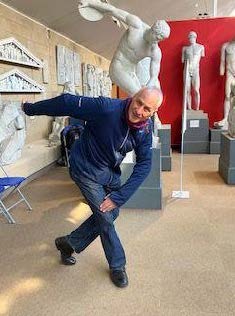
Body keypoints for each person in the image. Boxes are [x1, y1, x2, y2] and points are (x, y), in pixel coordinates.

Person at [22, 86, 163, 288]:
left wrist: (120, 196)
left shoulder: (145, 129)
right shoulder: (106, 108)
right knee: (105, 217)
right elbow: (67, 102)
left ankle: (68, 243)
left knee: (112, 213)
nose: (139, 111)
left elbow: (144, 164)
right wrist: (30, 109)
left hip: (110, 172)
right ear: (133, 97)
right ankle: (118, 265)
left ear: (153, 112)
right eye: (139, 102)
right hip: (85, 168)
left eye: (147, 109)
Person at [78, 0, 170, 129]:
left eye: (160, 40)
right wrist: (90, 3)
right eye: (156, 37)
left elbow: (154, 76)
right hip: (119, 67)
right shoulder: (136, 25)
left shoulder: (154, 50)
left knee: (147, 95)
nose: (157, 41)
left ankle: (145, 125)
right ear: (153, 30)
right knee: (138, 96)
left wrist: (150, 90)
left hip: (131, 71)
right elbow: (112, 10)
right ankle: (134, 128)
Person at [214, 39, 235, 129]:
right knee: (227, 96)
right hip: (229, 73)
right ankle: (226, 118)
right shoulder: (226, 46)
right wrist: (221, 70)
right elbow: (222, 60)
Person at [182, 31, 205, 111]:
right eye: (189, 37)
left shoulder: (201, 47)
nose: (191, 38)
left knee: (196, 89)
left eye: (192, 37)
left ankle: (197, 109)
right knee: (187, 90)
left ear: (195, 37)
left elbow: (202, 56)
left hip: (195, 69)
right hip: (187, 69)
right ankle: (189, 108)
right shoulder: (185, 49)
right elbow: (183, 60)